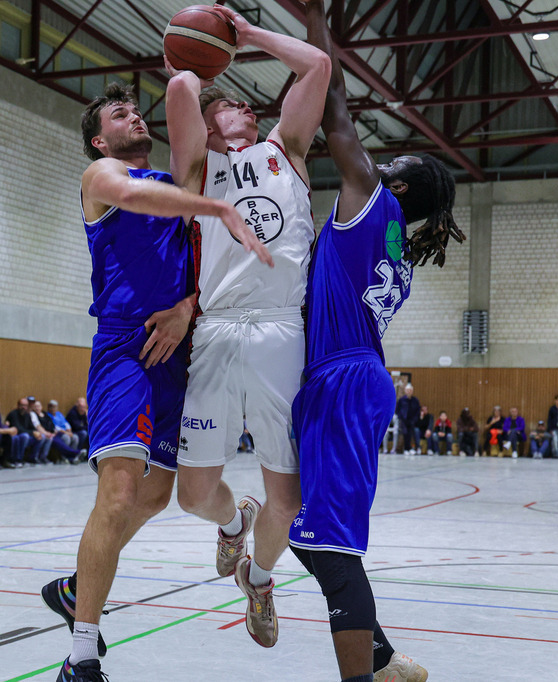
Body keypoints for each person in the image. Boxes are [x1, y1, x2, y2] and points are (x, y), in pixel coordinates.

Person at [44, 80, 267, 682]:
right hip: (124, 347)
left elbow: (204, 268)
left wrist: (189, 305)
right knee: (117, 494)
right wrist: (214, 205)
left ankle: (74, 588)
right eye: (120, 113)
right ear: (99, 139)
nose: (134, 116)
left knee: (155, 495)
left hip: (180, 349)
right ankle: (81, 657)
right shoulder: (104, 179)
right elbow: (140, 203)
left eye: (137, 110)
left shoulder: (175, 184)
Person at [289, 2, 463, 679]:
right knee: (308, 531)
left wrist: (315, 22)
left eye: (397, 156)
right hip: (348, 378)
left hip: (342, 380)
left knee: (332, 550)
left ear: (399, 178)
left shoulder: (371, 197)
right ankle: (386, 660)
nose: (376, 153)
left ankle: (367, 676)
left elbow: (334, 105)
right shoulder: (392, 239)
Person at [164, 2, 328, 652]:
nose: (244, 111)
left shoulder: (286, 151)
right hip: (218, 330)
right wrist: (199, 53)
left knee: (286, 497)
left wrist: (250, 34)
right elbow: (180, 89)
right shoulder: (197, 170)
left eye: (250, 108)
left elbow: (316, 65)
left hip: (281, 333)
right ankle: (235, 520)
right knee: (192, 494)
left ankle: (259, 580)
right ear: (207, 123)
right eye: (227, 106)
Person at [395, 384, 421, 455]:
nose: (409, 391)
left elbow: (418, 410)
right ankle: (406, 448)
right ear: (405, 391)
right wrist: (400, 417)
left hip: (412, 420)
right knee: (405, 433)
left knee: (410, 433)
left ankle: (410, 448)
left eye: (410, 390)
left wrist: (415, 419)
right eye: (407, 390)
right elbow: (397, 410)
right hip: (403, 420)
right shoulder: (401, 400)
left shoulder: (415, 400)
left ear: (412, 391)